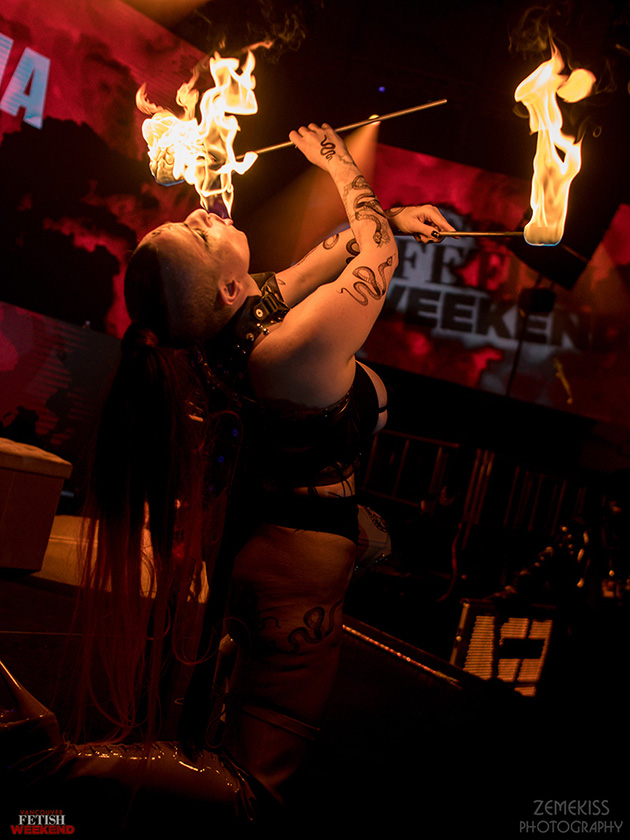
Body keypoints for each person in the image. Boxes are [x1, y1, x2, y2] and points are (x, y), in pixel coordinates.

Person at [3, 123, 454, 827]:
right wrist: (340, 164)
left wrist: (388, 215)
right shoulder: (286, 353)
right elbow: (377, 257)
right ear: (229, 285)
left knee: (217, 710)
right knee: (255, 794)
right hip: (292, 566)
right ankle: (46, 762)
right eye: (198, 233)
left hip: (271, 534)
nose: (201, 213)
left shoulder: (237, 320)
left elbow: (332, 254)